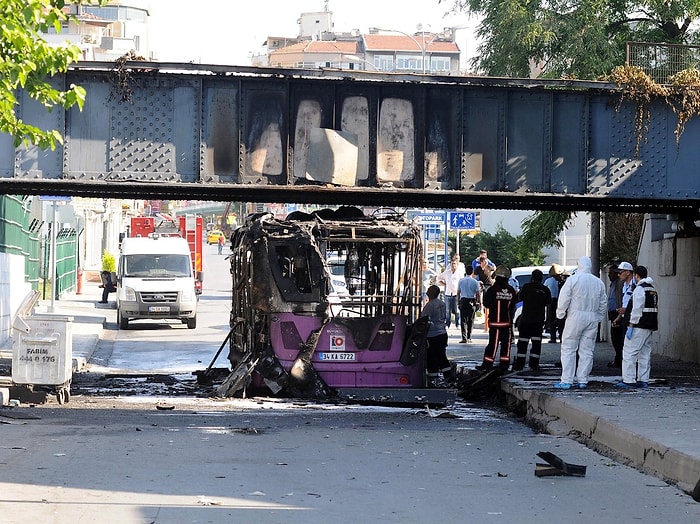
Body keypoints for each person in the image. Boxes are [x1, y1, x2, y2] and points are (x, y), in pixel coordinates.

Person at [554, 256, 607, 390]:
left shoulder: (573, 280)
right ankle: (583, 380)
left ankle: (567, 380)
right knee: (587, 350)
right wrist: (598, 317)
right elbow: (603, 303)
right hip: (592, 317)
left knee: (569, 348)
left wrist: (560, 314)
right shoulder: (598, 282)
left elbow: (564, 298)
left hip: (575, 316)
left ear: (579, 265)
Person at [615, 265, 659, 389]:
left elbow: (637, 309)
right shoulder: (652, 289)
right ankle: (643, 379)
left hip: (639, 325)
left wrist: (631, 325)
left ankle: (628, 380)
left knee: (630, 352)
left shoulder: (639, 289)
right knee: (644, 354)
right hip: (649, 326)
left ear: (636, 275)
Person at [476, 266, 517, 370]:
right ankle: (504, 364)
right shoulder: (511, 291)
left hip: (495, 323)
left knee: (493, 344)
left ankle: (487, 364)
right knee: (506, 345)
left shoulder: (492, 290)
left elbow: (486, 304)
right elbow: (513, 306)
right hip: (506, 323)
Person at [513, 269, 551, 371]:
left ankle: (519, 364)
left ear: (532, 277)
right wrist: (547, 321)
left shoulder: (526, 287)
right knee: (536, 344)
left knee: (522, 343)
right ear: (542, 278)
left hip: (526, 320)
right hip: (538, 321)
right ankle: (534, 365)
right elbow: (549, 306)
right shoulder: (545, 290)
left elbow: (518, 299)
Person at [420, 285, 454, 387]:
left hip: (432, 335)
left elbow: (423, 320)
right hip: (442, 333)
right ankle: (448, 377)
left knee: (432, 357)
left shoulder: (429, 306)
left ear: (430, 293)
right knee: (441, 356)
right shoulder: (442, 304)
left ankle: (433, 378)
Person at [437, 256, 464, 329]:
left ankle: (457, 324)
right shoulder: (447, 272)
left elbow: (462, 282)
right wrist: (444, 284)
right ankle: (447, 324)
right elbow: (438, 278)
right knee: (447, 310)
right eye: (452, 264)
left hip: (456, 294)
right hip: (448, 293)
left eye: (455, 264)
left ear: (457, 265)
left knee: (457, 310)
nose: (453, 265)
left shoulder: (459, 273)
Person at [457, 265, 481, 343]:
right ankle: (469, 337)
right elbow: (478, 293)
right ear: (472, 272)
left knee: (463, 319)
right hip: (472, 301)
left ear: (465, 272)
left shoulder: (461, 280)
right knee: (471, 320)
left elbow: (458, 292)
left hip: (463, 300)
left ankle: (464, 337)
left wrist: (458, 301)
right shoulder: (475, 281)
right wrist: (479, 302)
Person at [606, 264, 624, 368]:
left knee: (618, 337)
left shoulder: (620, 283)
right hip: (613, 313)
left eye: (611, 273)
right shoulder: (613, 284)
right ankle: (618, 358)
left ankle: (619, 359)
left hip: (618, 313)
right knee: (615, 337)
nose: (609, 276)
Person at [544, 264, 567, 343]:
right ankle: (557, 337)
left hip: (556, 302)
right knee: (556, 320)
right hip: (555, 301)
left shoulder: (564, 281)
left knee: (556, 320)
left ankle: (556, 337)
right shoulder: (562, 282)